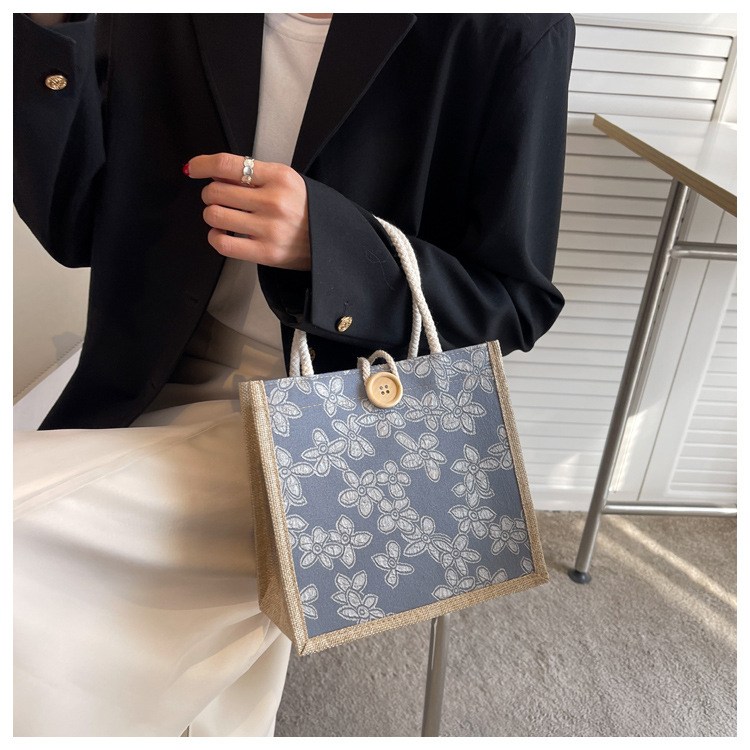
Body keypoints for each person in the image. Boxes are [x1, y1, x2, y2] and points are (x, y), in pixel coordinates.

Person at [13, 12, 576, 737]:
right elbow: (76, 224)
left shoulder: (504, 28)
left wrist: (334, 246)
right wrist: (48, 27)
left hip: (330, 432)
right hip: (143, 375)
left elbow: (515, 303)